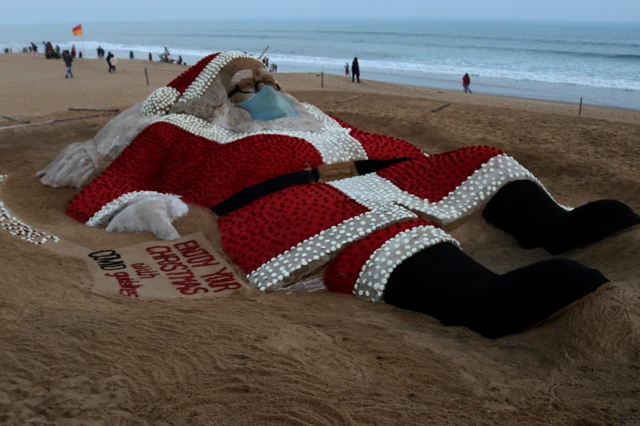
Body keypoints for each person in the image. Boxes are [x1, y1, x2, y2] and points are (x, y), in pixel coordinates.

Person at [38, 51, 640, 339]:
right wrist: (143, 207)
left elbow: (382, 141)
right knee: (366, 223)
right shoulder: (185, 130)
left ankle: (550, 225)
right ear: (217, 93)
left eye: (266, 76)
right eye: (245, 82)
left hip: (380, 168)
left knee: (478, 158)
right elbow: (105, 190)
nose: (264, 85)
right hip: (285, 198)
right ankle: (480, 298)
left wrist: (419, 162)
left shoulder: (314, 114)